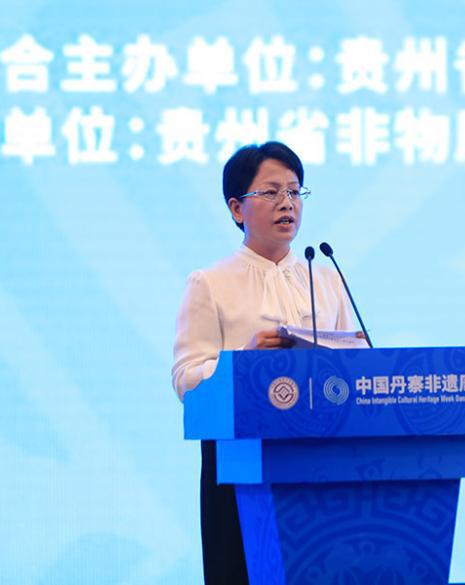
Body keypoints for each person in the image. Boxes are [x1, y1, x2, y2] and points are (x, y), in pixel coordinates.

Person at [171, 141, 356, 584]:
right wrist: (245, 363)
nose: (286, 203)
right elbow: (186, 380)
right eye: (271, 192)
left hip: (325, 456)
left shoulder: (327, 278)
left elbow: (357, 363)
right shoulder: (210, 283)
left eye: (294, 191)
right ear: (237, 208)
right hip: (241, 462)